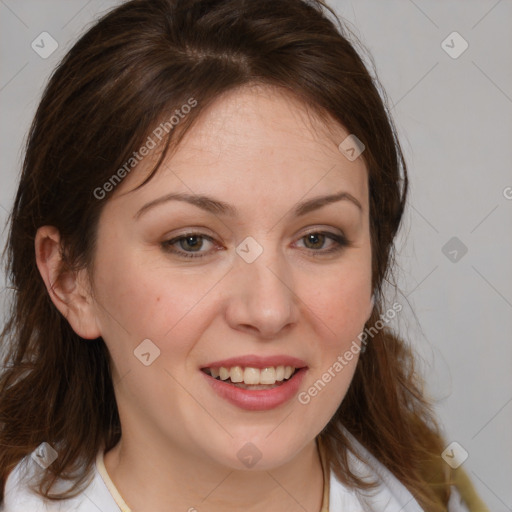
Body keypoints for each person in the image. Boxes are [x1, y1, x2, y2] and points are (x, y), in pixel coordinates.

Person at [0, 0, 489, 511]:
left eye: (318, 238)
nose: (269, 310)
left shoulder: (436, 490)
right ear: (70, 279)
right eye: (191, 241)